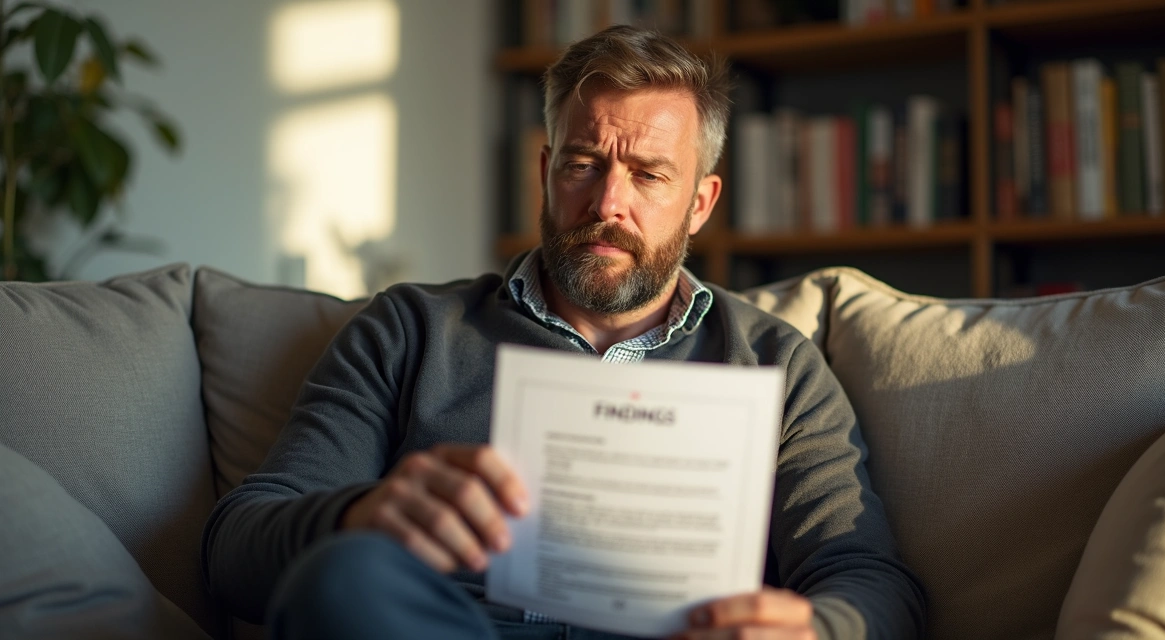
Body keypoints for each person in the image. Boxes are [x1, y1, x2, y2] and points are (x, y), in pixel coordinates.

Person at [202, 25, 926, 640]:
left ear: (700, 203)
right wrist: (359, 514)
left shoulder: (775, 366)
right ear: (546, 173)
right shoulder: (411, 329)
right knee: (347, 575)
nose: (608, 203)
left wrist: (814, 628)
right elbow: (237, 545)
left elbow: (869, 577)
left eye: (648, 176)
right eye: (583, 165)